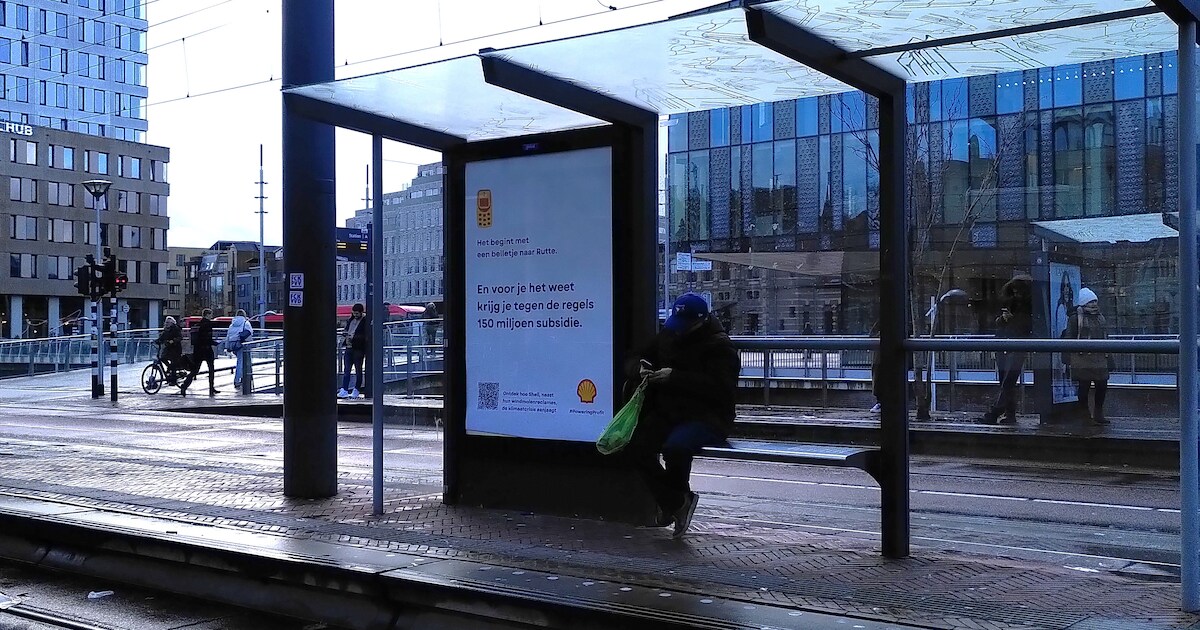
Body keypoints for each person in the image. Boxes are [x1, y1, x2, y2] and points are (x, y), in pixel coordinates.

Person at [627, 293, 740, 538]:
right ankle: (677, 502)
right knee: (636, 446)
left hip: (707, 417)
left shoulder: (720, 346)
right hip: (670, 411)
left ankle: (675, 504)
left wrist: (674, 377)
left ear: (699, 322)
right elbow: (638, 356)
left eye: (683, 327)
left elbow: (721, 390)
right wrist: (640, 367)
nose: (677, 332)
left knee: (676, 448)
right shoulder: (669, 335)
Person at [982, 276, 1033, 425]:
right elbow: (1001, 324)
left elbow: (1026, 326)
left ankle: (996, 411)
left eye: (1018, 292)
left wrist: (1011, 319)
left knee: (1008, 380)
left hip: (1016, 344)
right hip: (1006, 343)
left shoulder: (1028, 305)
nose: (1016, 294)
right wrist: (1004, 319)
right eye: (1014, 291)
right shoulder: (1010, 302)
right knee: (1005, 380)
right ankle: (1009, 414)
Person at [1064, 288, 1110, 425]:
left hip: (1099, 358)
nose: (1094, 304)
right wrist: (1066, 358)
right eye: (1091, 302)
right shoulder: (1075, 318)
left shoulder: (1100, 317)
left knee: (1102, 386)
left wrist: (1109, 358)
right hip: (1082, 358)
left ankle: (1097, 413)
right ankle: (1085, 415)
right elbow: (1069, 338)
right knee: (1084, 387)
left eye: (1095, 301)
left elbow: (1105, 338)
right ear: (1084, 303)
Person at [180, 308, 219, 396]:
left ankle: (184, 386)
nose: (211, 316)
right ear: (207, 315)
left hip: (198, 350)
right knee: (211, 369)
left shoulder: (198, 324)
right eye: (210, 314)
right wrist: (215, 343)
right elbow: (207, 338)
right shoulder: (208, 325)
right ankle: (211, 389)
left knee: (195, 370)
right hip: (207, 350)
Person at [337, 303, 367, 399]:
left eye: (357, 313)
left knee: (358, 370)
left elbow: (365, 336)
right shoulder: (350, 320)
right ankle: (344, 389)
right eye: (354, 313)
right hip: (349, 347)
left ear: (361, 312)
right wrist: (345, 335)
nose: (355, 315)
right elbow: (347, 330)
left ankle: (356, 389)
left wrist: (352, 337)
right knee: (347, 370)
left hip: (358, 348)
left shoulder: (364, 321)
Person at [223, 309, 253, 389]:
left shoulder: (232, 324)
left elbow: (228, 336)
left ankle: (244, 377)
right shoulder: (246, 323)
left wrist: (227, 347)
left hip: (233, 345)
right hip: (241, 344)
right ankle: (238, 380)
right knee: (241, 362)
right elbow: (250, 333)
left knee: (241, 361)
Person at [155, 316, 183, 384]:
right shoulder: (166, 330)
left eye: (168, 322)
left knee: (173, 362)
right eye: (166, 322)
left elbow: (180, 337)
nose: (166, 323)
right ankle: (170, 368)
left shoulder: (176, 328)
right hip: (168, 348)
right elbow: (162, 337)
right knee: (162, 358)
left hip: (175, 348)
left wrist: (173, 341)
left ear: (172, 323)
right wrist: (156, 341)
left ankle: (173, 380)